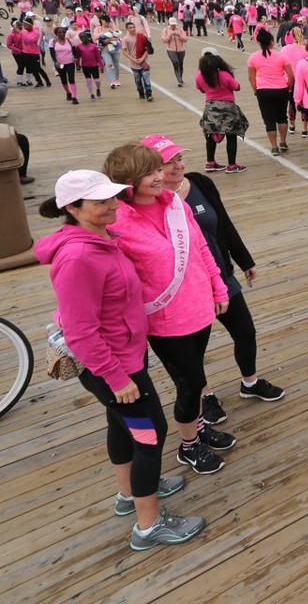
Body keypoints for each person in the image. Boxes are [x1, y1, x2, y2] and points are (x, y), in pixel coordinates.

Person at [35, 170, 204, 550]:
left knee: (122, 425)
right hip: (114, 368)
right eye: (100, 202)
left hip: (121, 359)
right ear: (73, 208)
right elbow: (80, 332)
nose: (113, 205)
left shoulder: (101, 238)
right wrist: (116, 379)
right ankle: (149, 525)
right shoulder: (78, 256)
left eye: (112, 197)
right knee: (150, 435)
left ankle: (129, 493)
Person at [102, 144, 234, 476]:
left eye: (157, 169)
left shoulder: (174, 203)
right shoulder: (116, 222)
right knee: (191, 383)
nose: (160, 176)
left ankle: (198, 428)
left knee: (196, 375)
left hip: (199, 306)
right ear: (127, 182)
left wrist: (218, 286)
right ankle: (189, 446)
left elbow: (201, 247)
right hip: (164, 320)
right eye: (149, 173)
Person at [145, 135, 285, 421]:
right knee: (195, 351)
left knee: (245, 332)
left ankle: (250, 382)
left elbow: (223, 222)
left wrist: (244, 260)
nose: (176, 167)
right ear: (152, 170)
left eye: (179, 159)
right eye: (167, 164)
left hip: (221, 276)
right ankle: (205, 395)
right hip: (185, 289)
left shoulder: (201, 183)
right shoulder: (150, 204)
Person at [195, 49, 248, 174]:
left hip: (211, 108)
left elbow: (201, 89)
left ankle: (210, 162)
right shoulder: (224, 75)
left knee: (210, 135)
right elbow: (237, 87)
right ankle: (232, 165)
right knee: (231, 135)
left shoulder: (199, 76)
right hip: (227, 108)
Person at [247, 30, 293, 156]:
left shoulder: (253, 57)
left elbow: (251, 77)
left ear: (259, 42)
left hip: (263, 90)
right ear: (271, 42)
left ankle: (274, 147)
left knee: (269, 120)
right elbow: (290, 74)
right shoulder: (281, 56)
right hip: (281, 89)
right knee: (282, 117)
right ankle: (283, 141)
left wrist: (255, 89)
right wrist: (289, 87)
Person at [121, 20, 152, 102]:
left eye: (134, 27)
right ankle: (141, 93)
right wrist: (133, 59)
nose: (133, 29)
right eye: (130, 28)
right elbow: (124, 51)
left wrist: (142, 58)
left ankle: (149, 94)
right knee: (138, 81)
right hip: (133, 64)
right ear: (127, 29)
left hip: (143, 62)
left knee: (146, 79)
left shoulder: (141, 36)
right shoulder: (125, 39)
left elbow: (147, 49)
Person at [48, 26, 80, 105]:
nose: (62, 34)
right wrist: (55, 61)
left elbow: (74, 51)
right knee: (63, 80)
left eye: (63, 32)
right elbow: (52, 53)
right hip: (60, 64)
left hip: (70, 63)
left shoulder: (69, 41)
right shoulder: (52, 42)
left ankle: (74, 97)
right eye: (59, 32)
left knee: (71, 79)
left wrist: (76, 58)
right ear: (56, 33)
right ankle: (68, 92)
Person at [162, 18, 188, 87]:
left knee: (181, 64)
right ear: (169, 24)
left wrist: (179, 36)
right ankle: (179, 80)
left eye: (174, 25)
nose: (173, 26)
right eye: (172, 25)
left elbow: (185, 39)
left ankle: (181, 78)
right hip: (171, 50)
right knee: (176, 63)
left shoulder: (180, 29)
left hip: (181, 50)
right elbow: (164, 40)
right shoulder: (166, 30)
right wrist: (170, 35)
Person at [77, 30, 103, 101]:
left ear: (87, 37)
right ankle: (91, 94)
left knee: (97, 80)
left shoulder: (94, 46)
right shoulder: (79, 46)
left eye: (84, 37)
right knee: (88, 80)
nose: (83, 38)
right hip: (85, 66)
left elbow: (98, 56)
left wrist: (101, 65)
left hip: (94, 65)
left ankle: (98, 88)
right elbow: (78, 56)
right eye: (81, 38)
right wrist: (78, 64)